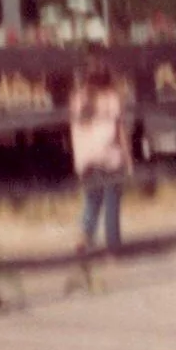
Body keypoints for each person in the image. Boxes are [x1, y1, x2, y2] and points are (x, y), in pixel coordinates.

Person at [70, 59, 133, 255]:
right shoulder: (112, 98)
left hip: (86, 157)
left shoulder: (78, 99)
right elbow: (120, 132)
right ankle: (113, 246)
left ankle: (85, 234)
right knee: (112, 201)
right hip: (109, 155)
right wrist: (128, 159)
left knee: (92, 199)